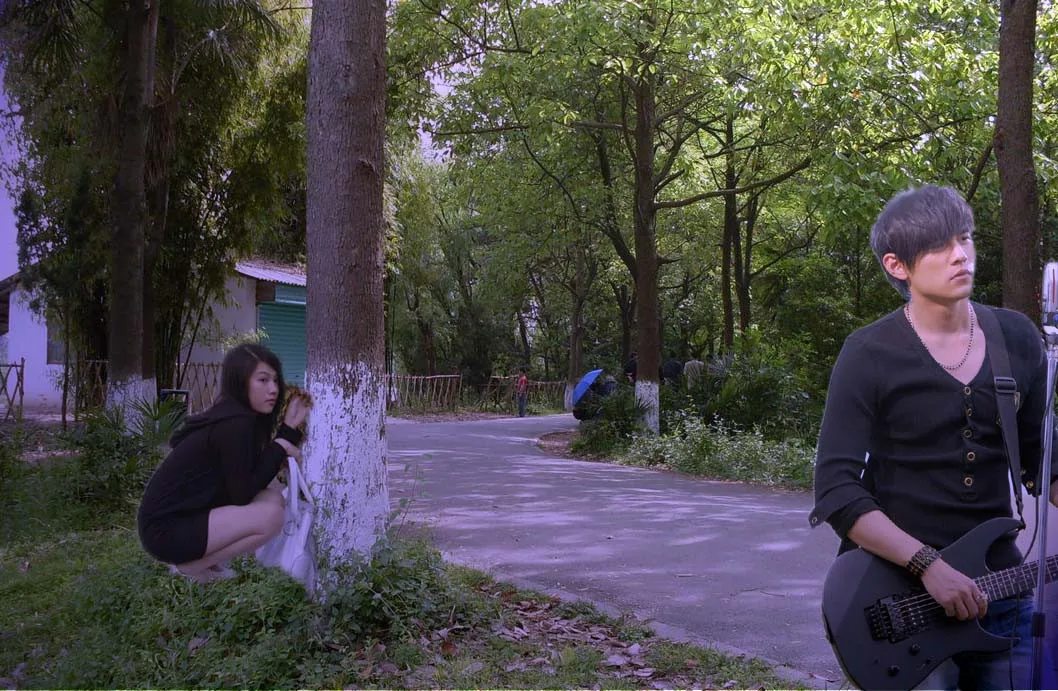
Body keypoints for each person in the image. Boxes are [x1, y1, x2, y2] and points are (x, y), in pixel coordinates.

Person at [810, 184, 1058, 690]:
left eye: (964, 238)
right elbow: (836, 490)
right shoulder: (868, 352)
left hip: (1001, 593)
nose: (960, 255)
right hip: (898, 602)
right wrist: (928, 565)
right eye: (939, 246)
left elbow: (1045, 464)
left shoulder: (1016, 338)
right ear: (897, 265)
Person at [137, 343, 311, 583]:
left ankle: (205, 562)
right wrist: (281, 444)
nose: (273, 389)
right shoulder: (235, 424)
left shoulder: (237, 417)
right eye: (262, 380)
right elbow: (242, 495)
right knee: (271, 516)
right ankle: (192, 567)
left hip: (186, 517)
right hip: (165, 530)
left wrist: (287, 432)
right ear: (240, 382)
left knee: (272, 499)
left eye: (275, 380)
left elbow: (249, 479)